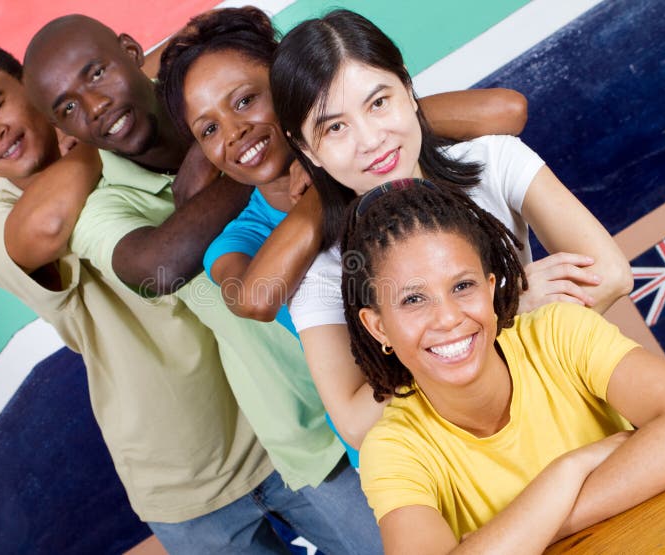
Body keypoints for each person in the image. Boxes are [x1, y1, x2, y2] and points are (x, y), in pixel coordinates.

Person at [0, 40, 348, 554]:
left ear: (28, 89)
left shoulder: (130, 130)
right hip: (186, 481)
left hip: (279, 424)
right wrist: (269, 152)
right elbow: (58, 225)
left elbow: (190, 57)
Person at [22, 15, 389, 552]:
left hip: (403, 367)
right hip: (312, 431)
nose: (94, 105)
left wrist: (236, 150)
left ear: (131, 49)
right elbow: (160, 270)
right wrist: (257, 155)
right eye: (68, 108)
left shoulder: (241, 92)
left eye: (96, 72)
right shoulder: (104, 203)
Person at [157, 6, 528, 458]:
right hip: (398, 436)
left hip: (505, 381)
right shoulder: (240, 239)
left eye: (245, 100)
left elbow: (507, 108)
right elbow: (255, 297)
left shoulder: (375, 149)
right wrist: (325, 186)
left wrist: (340, 145)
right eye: (209, 128)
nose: (234, 132)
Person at [267, 9, 633, 448]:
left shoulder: (494, 163)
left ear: (407, 88)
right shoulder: (325, 271)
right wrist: (510, 306)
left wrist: (437, 360)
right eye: (336, 127)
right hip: (466, 471)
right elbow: (355, 423)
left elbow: (610, 275)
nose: (370, 139)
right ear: (308, 149)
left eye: (379, 102)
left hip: (581, 417)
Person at [339, 178, 665, 554]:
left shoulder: (559, 332)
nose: (447, 318)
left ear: (491, 289)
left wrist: (541, 526)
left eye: (462, 287)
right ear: (378, 327)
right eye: (413, 300)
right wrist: (568, 470)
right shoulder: (394, 447)